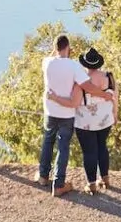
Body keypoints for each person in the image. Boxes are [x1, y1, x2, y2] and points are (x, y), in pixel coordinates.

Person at [39, 33, 109, 196]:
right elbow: (88, 86)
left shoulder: (46, 62)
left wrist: (58, 51)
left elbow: (53, 55)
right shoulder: (73, 66)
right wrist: (104, 95)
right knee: (63, 147)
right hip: (66, 113)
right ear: (68, 48)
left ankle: (43, 176)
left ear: (55, 48)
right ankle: (58, 184)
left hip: (50, 110)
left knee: (48, 141)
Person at [74, 46, 116, 192]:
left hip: (85, 121)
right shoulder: (108, 77)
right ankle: (105, 178)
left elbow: (76, 101)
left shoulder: (82, 81)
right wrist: (115, 115)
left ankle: (91, 184)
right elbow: (115, 98)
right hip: (105, 119)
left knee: (89, 152)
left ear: (85, 64)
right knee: (102, 147)